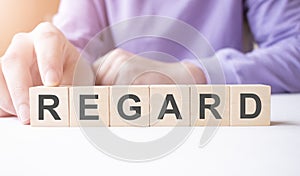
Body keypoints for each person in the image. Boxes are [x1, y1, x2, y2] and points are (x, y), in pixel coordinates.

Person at [0, 0, 299, 124]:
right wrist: (50, 65)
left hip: (227, 140)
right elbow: (74, 45)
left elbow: (294, 46)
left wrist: (192, 75)